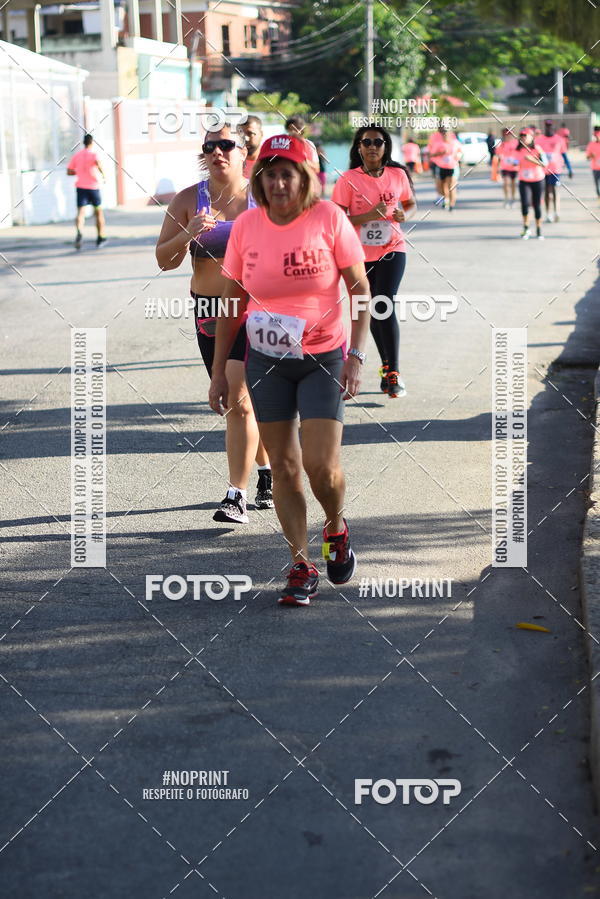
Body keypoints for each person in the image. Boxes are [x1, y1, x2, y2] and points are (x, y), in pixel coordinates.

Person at [208, 134, 371, 606]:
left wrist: (357, 356)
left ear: (305, 179)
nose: (278, 183)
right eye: (270, 174)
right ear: (259, 180)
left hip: (322, 357)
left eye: (288, 174)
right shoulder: (247, 226)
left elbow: (360, 290)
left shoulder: (328, 218)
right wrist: (220, 371)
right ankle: (301, 563)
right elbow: (232, 302)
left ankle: (336, 526)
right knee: (283, 466)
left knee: (321, 464)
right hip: (266, 362)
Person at [155, 122, 273, 524]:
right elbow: (163, 260)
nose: (218, 152)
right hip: (210, 309)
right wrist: (188, 233)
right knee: (237, 403)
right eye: (210, 146)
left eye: (226, 145)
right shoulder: (189, 199)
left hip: (258, 309)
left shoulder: (265, 196)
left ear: (244, 152)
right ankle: (265, 470)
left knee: (239, 399)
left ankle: (234, 496)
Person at [332, 126, 416, 399]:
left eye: (377, 142)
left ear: (385, 147)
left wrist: (403, 214)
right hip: (357, 253)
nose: (372, 146)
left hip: (393, 247)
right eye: (366, 142)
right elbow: (338, 219)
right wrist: (367, 216)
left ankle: (393, 372)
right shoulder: (348, 179)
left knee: (384, 302)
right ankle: (385, 366)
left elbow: (409, 203)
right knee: (370, 307)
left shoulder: (397, 174)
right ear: (358, 147)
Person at [67, 134, 107, 249]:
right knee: (98, 212)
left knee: (81, 212)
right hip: (93, 188)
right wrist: (104, 176)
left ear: (83, 143)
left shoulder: (77, 155)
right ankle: (100, 237)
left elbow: (69, 171)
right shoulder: (94, 154)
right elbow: (99, 165)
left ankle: (79, 232)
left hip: (81, 188)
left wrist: (78, 172)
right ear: (92, 142)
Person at [514, 128, 547, 240]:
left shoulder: (537, 149)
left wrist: (531, 159)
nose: (523, 137)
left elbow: (545, 164)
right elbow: (514, 162)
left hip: (538, 179)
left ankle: (539, 229)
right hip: (524, 180)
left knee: (537, 205)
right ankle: (526, 228)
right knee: (525, 204)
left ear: (531, 137)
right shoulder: (517, 150)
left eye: (525, 135)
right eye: (521, 136)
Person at [537, 119, 566, 222]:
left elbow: (563, 154)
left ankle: (556, 212)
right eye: (547, 126)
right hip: (543, 170)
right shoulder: (539, 139)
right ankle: (548, 213)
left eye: (550, 126)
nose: (549, 127)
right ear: (545, 127)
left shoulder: (559, 139)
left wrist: (569, 168)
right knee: (546, 193)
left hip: (556, 169)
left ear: (553, 127)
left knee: (554, 191)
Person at [428, 126, 462, 210]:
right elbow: (431, 154)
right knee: (442, 186)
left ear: (450, 134)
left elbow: (460, 152)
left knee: (451, 186)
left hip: (453, 167)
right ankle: (445, 199)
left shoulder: (455, 143)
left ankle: (451, 204)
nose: (445, 135)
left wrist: (458, 156)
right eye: (444, 133)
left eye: (447, 133)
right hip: (440, 166)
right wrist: (440, 153)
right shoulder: (438, 143)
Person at [496, 127, 519, 208]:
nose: (508, 136)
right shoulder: (501, 145)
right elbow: (498, 157)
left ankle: (513, 199)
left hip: (514, 167)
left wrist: (517, 162)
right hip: (505, 167)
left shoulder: (516, 143)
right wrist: (498, 168)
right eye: (506, 134)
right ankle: (506, 198)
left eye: (509, 134)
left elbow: (520, 155)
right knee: (506, 183)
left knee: (513, 184)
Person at [240, 115, 263, 179]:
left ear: (261, 134)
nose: (246, 139)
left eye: (250, 133)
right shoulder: (232, 162)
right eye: (241, 134)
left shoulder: (270, 162)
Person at [585, 125, 600, 199]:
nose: (597, 137)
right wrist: (591, 155)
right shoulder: (591, 145)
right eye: (596, 136)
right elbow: (587, 157)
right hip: (595, 168)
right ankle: (598, 195)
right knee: (597, 184)